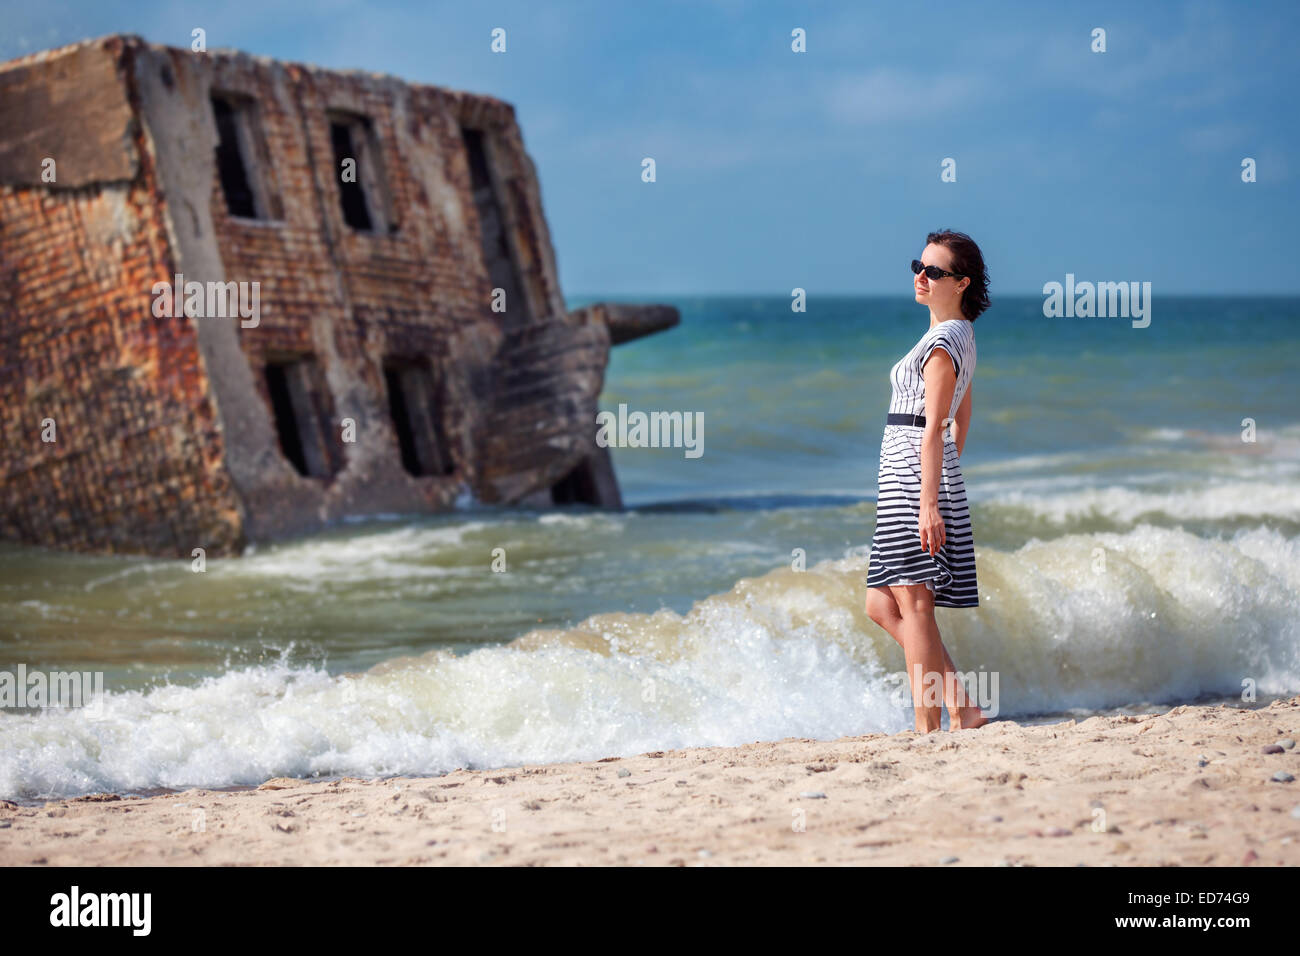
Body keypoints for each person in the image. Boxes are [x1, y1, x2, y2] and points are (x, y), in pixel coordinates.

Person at [864, 229, 990, 732]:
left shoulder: (944, 342)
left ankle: (927, 727)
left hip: (912, 481)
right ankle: (964, 705)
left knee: (913, 603)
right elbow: (963, 415)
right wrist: (944, 477)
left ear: (959, 283)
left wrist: (930, 500)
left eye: (934, 271)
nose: (921, 275)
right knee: (881, 604)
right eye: (919, 265)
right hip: (910, 475)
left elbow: (939, 425)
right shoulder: (954, 335)